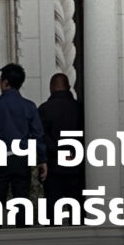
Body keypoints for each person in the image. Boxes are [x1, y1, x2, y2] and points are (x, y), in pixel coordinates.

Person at [0, 64, 47, 212]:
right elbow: (38, 135)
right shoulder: (29, 106)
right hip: (22, 158)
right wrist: (42, 160)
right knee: (21, 202)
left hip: (1, 157)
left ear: (5, 82)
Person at [38, 73, 85, 215]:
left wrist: (58, 152)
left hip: (54, 165)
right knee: (76, 210)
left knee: (53, 211)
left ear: (51, 88)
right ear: (69, 87)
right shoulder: (80, 108)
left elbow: (41, 136)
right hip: (76, 164)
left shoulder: (45, 109)